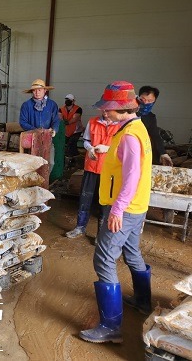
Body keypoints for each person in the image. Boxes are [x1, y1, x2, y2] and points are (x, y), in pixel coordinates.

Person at [80, 81, 152, 344]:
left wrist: (117, 209)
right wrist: (107, 150)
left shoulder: (130, 135)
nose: (105, 113)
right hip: (137, 206)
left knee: (104, 259)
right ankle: (143, 302)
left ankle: (111, 328)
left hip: (124, 206)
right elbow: (131, 163)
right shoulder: (134, 128)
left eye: (109, 108)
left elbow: (132, 175)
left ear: (122, 109)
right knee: (132, 252)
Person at [65, 111, 120, 239]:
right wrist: (89, 148)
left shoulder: (120, 125)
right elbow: (86, 141)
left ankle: (101, 233)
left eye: (108, 110)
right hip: (91, 166)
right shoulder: (93, 122)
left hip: (108, 170)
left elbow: (122, 146)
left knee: (104, 202)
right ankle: (80, 227)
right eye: (103, 110)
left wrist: (107, 149)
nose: (106, 113)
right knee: (85, 198)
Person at [20, 79, 60, 169]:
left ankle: (44, 182)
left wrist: (54, 129)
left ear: (45, 90)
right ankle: (33, 182)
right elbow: (23, 122)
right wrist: (35, 130)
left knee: (50, 163)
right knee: (32, 164)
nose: (37, 92)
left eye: (39, 90)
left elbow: (56, 120)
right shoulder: (26, 105)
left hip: (47, 138)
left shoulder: (52, 105)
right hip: (31, 139)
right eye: (34, 90)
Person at [138, 85, 173, 166]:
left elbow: (155, 135)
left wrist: (163, 153)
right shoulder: (128, 112)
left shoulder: (150, 117)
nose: (145, 103)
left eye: (149, 100)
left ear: (154, 101)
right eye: (143, 99)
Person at [60, 93, 83, 167]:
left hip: (76, 131)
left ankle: (69, 162)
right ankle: (77, 159)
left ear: (73, 101)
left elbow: (75, 118)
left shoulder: (78, 109)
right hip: (67, 131)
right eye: (66, 99)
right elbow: (59, 116)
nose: (67, 101)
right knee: (68, 145)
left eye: (69, 100)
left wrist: (66, 122)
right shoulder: (61, 109)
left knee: (70, 144)